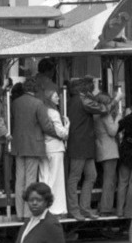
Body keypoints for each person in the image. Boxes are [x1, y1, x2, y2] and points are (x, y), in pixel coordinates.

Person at [10, 77, 58, 219]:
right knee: (31, 180)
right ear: (35, 89)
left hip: (18, 144)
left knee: (20, 179)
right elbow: (46, 125)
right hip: (33, 145)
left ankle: (19, 213)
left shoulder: (15, 103)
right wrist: (59, 133)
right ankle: (27, 213)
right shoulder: (38, 103)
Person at [65, 76, 109, 221]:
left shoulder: (74, 99)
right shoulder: (83, 100)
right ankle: (76, 209)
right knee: (78, 177)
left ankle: (83, 208)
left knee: (89, 176)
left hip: (80, 143)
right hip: (82, 144)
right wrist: (114, 99)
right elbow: (103, 109)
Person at [39, 88, 69, 216]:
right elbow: (62, 133)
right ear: (50, 98)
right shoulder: (54, 113)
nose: (58, 98)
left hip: (43, 147)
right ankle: (56, 208)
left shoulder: (42, 111)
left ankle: (43, 206)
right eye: (56, 96)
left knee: (44, 177)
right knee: (56, 179)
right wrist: (67, 125)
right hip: (55, 148)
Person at [94, 91, 121, 216]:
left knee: (104, 179)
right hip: (110, 150)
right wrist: (118, 119)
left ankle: (103, 205)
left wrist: (116, 100)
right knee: (110, 181)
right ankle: (106, 208)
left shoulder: (95, 115)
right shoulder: (106, 116)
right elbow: (113, 131)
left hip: (100, 149)